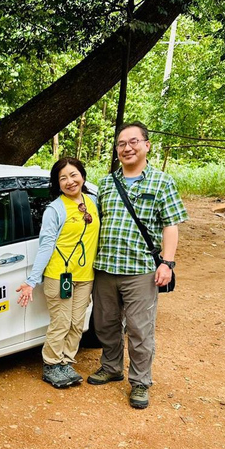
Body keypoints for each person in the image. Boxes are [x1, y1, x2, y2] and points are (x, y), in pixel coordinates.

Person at [89, 121, 188, 409]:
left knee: (139, 329)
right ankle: (111, 367)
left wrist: (167, 263)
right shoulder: (107, 183)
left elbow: (171, 225)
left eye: (133, 142)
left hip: (141, 270)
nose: (127, 148)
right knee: (104, 324)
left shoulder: (162, 182)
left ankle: (141, 382)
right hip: (105, 267)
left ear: (146, 145)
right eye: (121, 144)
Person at [16, 157, 100, 389]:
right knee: (61, 322)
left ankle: (66, 361)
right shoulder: (55, 209)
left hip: (85, 277)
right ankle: (52, 364)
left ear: (82, 176)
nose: (70, 181)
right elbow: (46, 245)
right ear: (57, 184)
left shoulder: (94, 202)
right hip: (59, 276)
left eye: (74, 175)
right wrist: (32, 281)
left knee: (76, 322)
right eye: (63, 178)